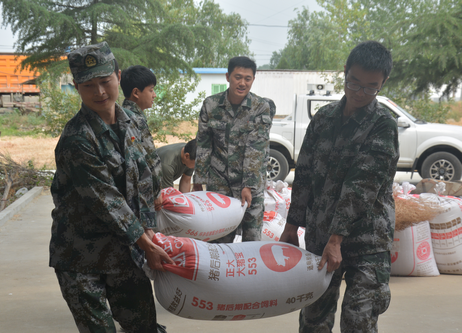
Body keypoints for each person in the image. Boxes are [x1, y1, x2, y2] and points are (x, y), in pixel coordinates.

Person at [49, 42, 174, 333]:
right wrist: (145, 242)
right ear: (76, 87)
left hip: (124, 251)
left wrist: (149, 229)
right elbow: (106, 201)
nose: (100, 92)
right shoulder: (77, 138)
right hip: (80, 257)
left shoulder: (133, 122)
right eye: (88, 85)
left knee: (144, 326)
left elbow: (143, 180)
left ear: (117, 76)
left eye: (105, 82)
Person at [280, 41, 399, 332]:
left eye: (371, 87)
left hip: (367, 240)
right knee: (314, 318)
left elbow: (362, 186)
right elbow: (304, 175)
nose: (360, 93)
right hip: (321, 236)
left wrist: (337, 240)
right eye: (354, 83)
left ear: (383, 83)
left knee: (358, 321)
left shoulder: (383, 124)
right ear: (345, 72)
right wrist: (291, 226)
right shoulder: (323, 119)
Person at [193, 56, 274, 243]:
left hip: (251, 183)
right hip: (219, 182)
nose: (242, 83)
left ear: (254, 79)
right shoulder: (211, 105)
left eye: (248, 78)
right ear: (228, 76)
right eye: (238, 77)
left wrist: (248, 185)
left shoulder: (261, 107)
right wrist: (199, 178)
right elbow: (204, 143)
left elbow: (257, 148)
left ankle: (249, 273)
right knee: (220, 238)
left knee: (251, 238)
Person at [120, 64, 163, 210]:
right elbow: (150, 159)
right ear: (136, 93)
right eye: (151, 90)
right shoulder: (136, 119)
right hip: (141, 195)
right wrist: (157, 192)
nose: (154, 95)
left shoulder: (121, 114)